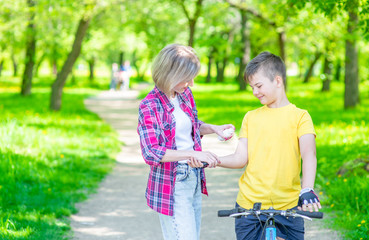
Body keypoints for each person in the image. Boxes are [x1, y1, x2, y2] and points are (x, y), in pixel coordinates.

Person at [218, 51, 322, 240]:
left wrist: (307, 188)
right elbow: (240, 158)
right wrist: (213, 159)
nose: (254, 92)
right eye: (251, 87)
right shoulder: (251, 117)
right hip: (249, 208)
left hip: (288, 208)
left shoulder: (300, 116)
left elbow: (309, 155)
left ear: (277, 80)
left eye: (258, 85)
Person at [137, 43, 234, 240]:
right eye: (186, 78)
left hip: (194, 175)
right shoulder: (149, 105)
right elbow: (151, 151)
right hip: (173, 181)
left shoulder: (184, 95)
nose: (191, 83)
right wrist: (192, 153)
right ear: (170, 74)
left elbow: (192, 125)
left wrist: (214, 128)